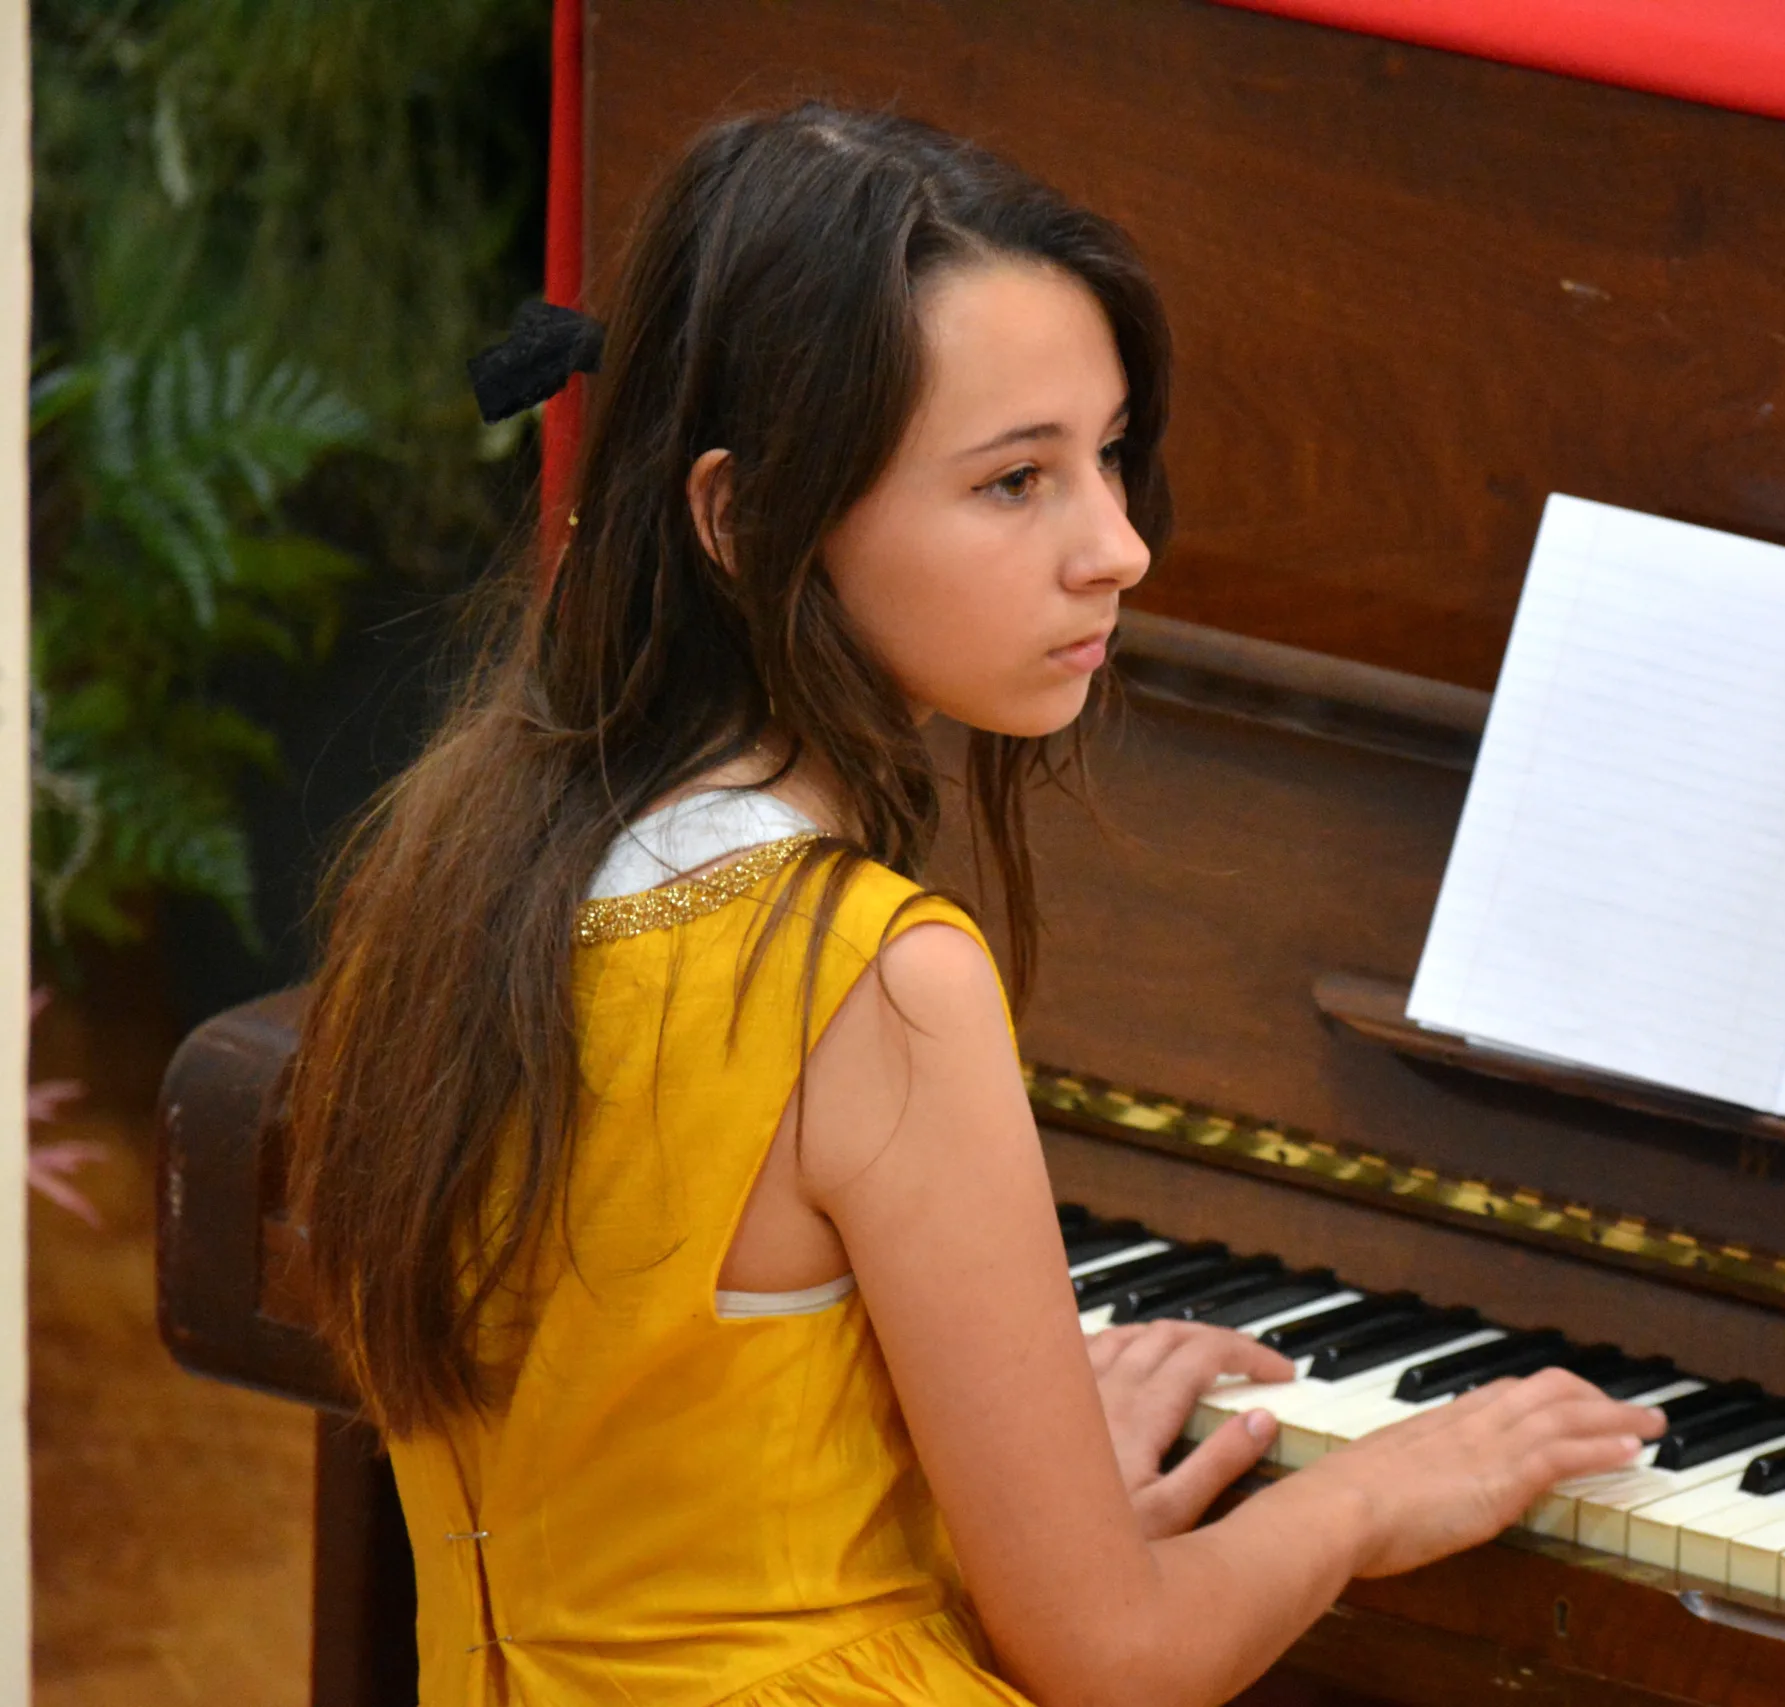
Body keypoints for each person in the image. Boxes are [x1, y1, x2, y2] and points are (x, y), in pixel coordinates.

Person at [288, 104, 1664, 1707]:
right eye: (1017, 480)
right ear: (743, 519)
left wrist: (1008, 1483)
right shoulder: (869, 976)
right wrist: (1373, 1492)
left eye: (1109, 453)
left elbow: (657, 1493)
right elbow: (1119, 1657)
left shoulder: (444, 882)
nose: (1118, 546)